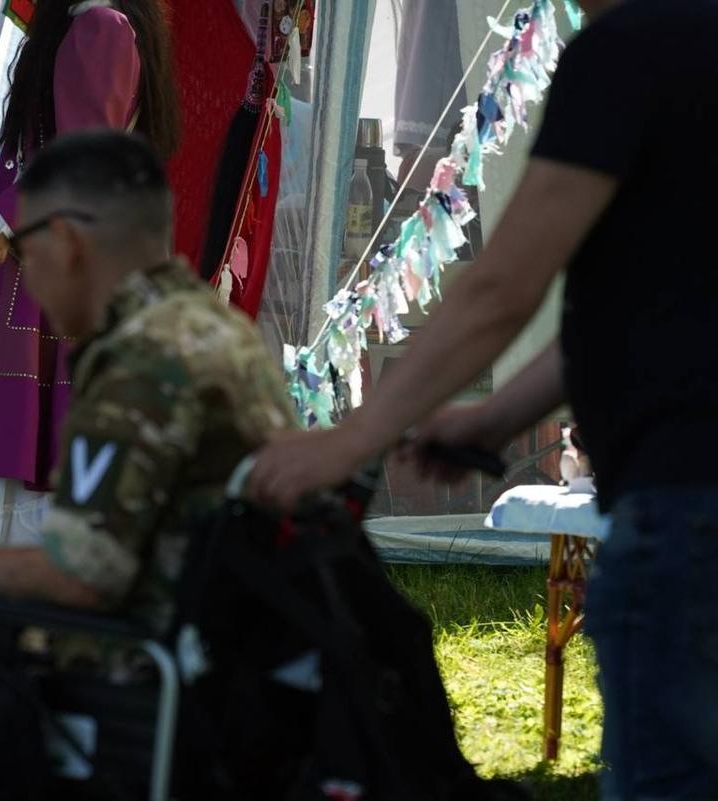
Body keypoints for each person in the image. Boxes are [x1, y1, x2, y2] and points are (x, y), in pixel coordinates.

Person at [248, 1, 718, 797]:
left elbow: (501, 287)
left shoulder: (627, 51)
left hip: (686, 509)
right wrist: (495, 417)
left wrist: (350, 439)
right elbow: (660, 305)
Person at [0, 131, 294, 626]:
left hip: (163, 639)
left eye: (26, 261)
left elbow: (81, 574)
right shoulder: (205, 323)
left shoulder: (137, 366)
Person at [0, 0, 180, 550]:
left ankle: (26, 556)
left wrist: (6, 218)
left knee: (50, 413)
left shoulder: (100, 25)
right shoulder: (93, 23)